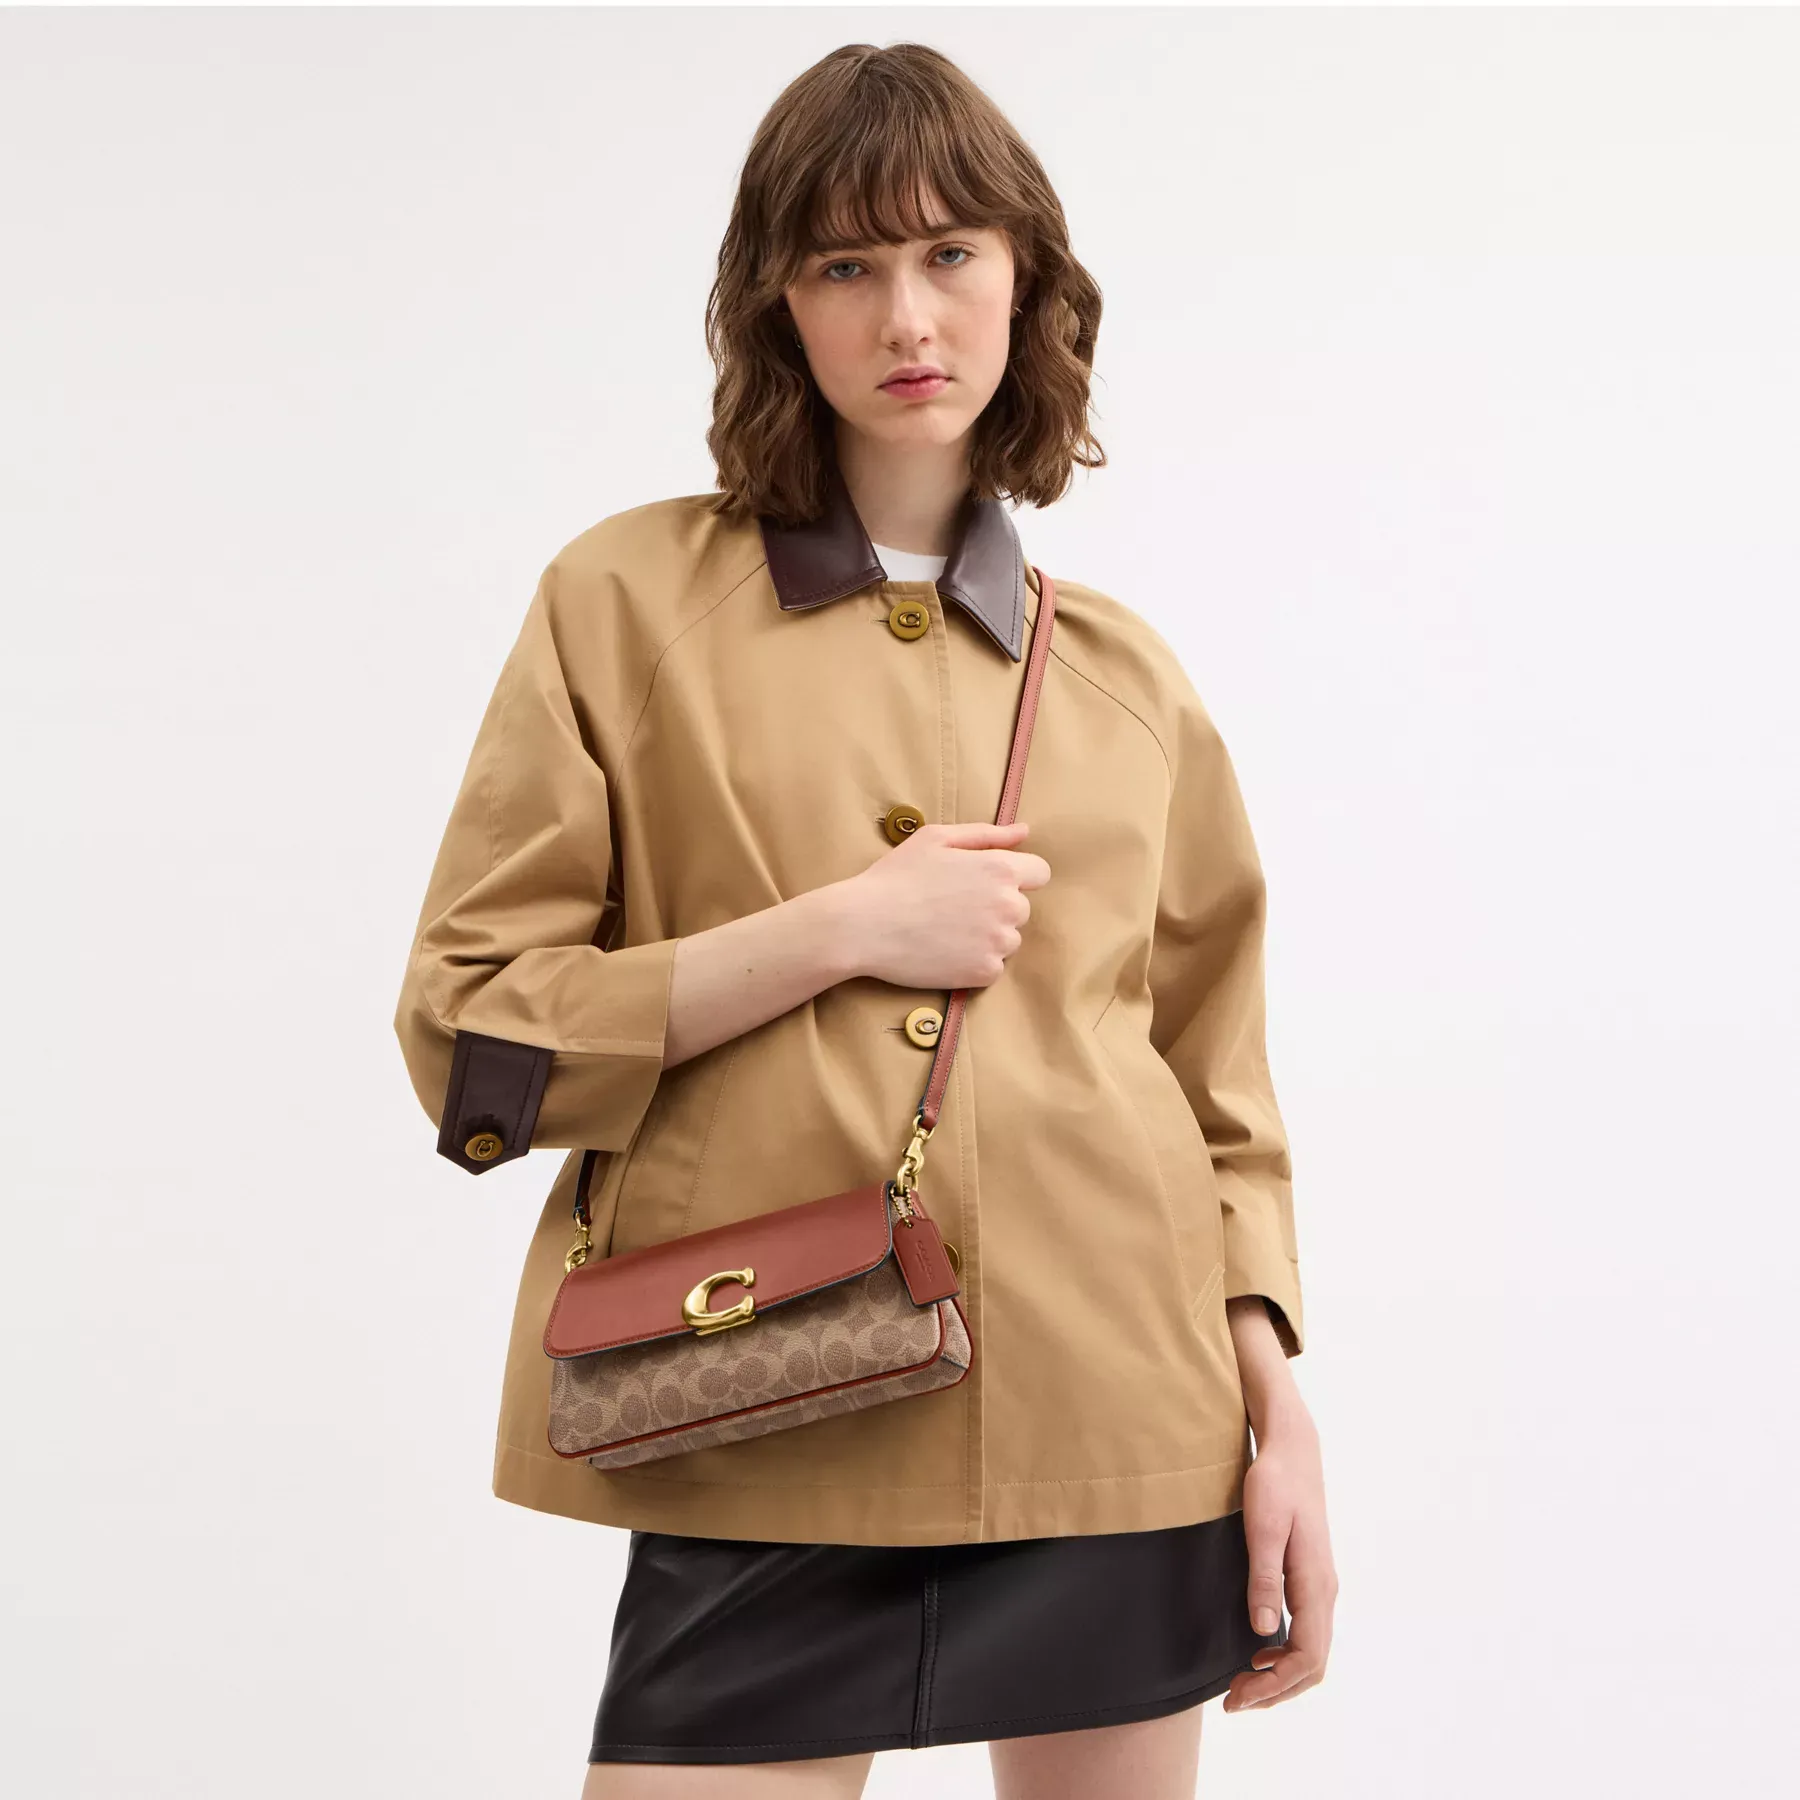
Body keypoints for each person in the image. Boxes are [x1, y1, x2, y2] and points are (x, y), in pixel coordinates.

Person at [393, 39, 1335, 1800]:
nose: (907, 315)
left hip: (1120, 1420)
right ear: (778, 303)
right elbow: (472, 1033)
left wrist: (1277, 1412)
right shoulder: (625, 602)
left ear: (1025, 280)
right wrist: (837, 930)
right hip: (763, 1395)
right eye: (845, 264)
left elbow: (1221, 1096)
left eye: (950, 253)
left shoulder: (1125, 679)